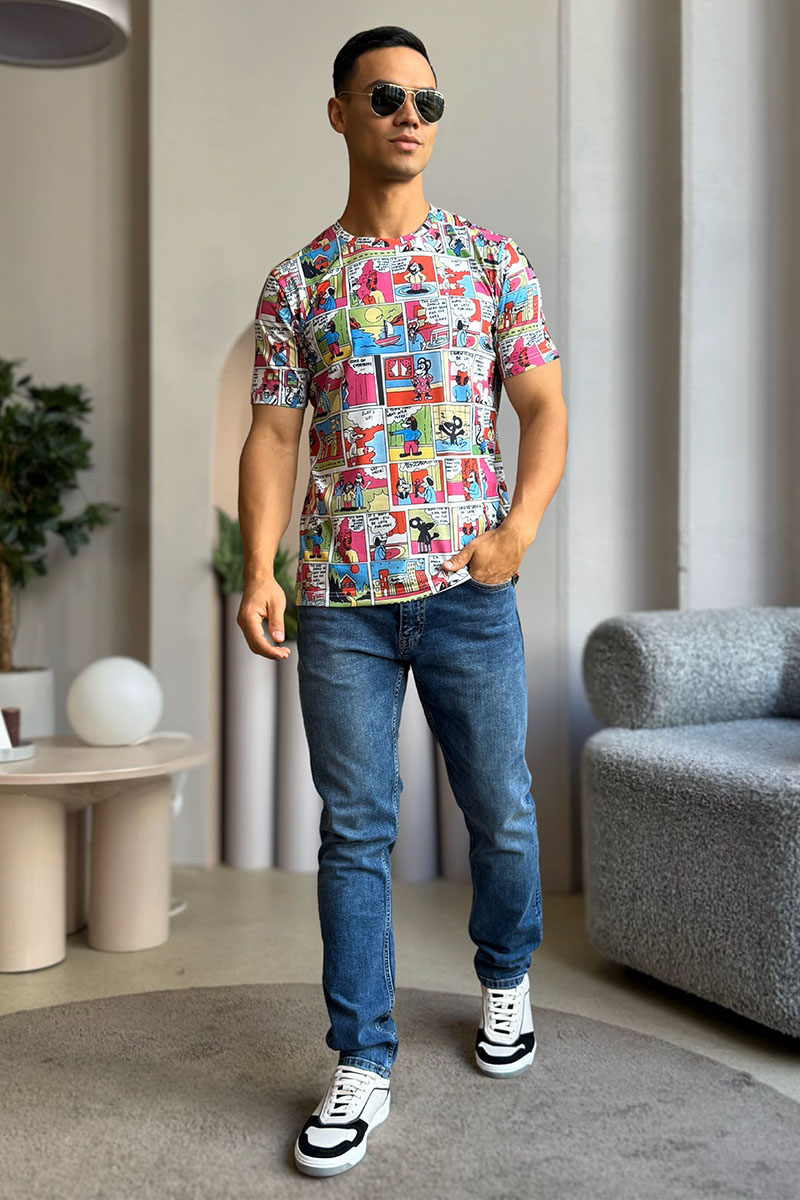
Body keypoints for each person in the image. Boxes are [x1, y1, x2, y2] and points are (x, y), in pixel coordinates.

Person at [237, 24, 567, 1179]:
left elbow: (541, 405)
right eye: (384, 96)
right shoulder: (296, 283)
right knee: (355, 830)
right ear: (340, 113)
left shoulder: (489, 261)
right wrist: (259, 568)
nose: (409, 115)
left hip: (468, 590)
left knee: (501, 810)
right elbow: (272, 436)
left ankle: (504, 975)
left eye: (426, 99)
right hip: (340, 599)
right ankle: (361, 1059)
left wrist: (517, 530)